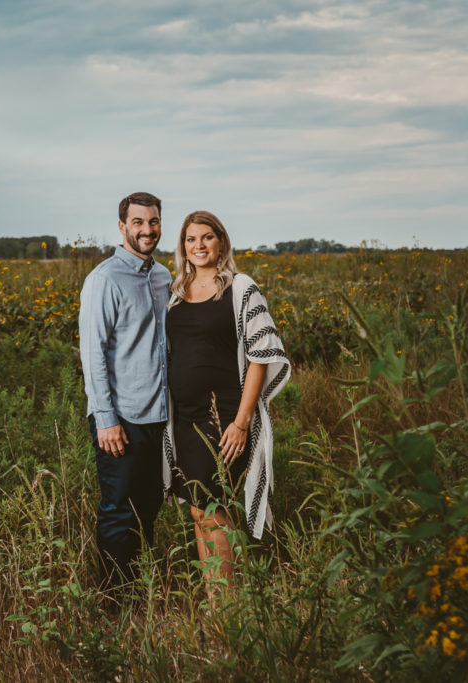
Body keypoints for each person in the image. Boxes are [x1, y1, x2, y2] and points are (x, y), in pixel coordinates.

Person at [162, 210, 290, 596]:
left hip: (223, 417)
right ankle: (219, 602)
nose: (198, 246)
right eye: (190, 239)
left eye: (206, 238)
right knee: (198, 510)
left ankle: (227, 604)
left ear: (222, 242)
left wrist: (241, 420)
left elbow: (260, 354)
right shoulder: (175, 292)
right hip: (183, 418)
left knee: (214, 510)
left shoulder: (240, 288)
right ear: (182, 247)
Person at [79, 191, 171, 591]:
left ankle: (142, 589)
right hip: (122, 419)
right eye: (138, 222)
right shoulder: (104, 280)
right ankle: (116, 600)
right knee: (119, 512)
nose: (147, 230)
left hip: (160, 415)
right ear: (122, 227)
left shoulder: (164, 276)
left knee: (148, 508)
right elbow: (92, 353)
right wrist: (105, 419)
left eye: (153, 222)